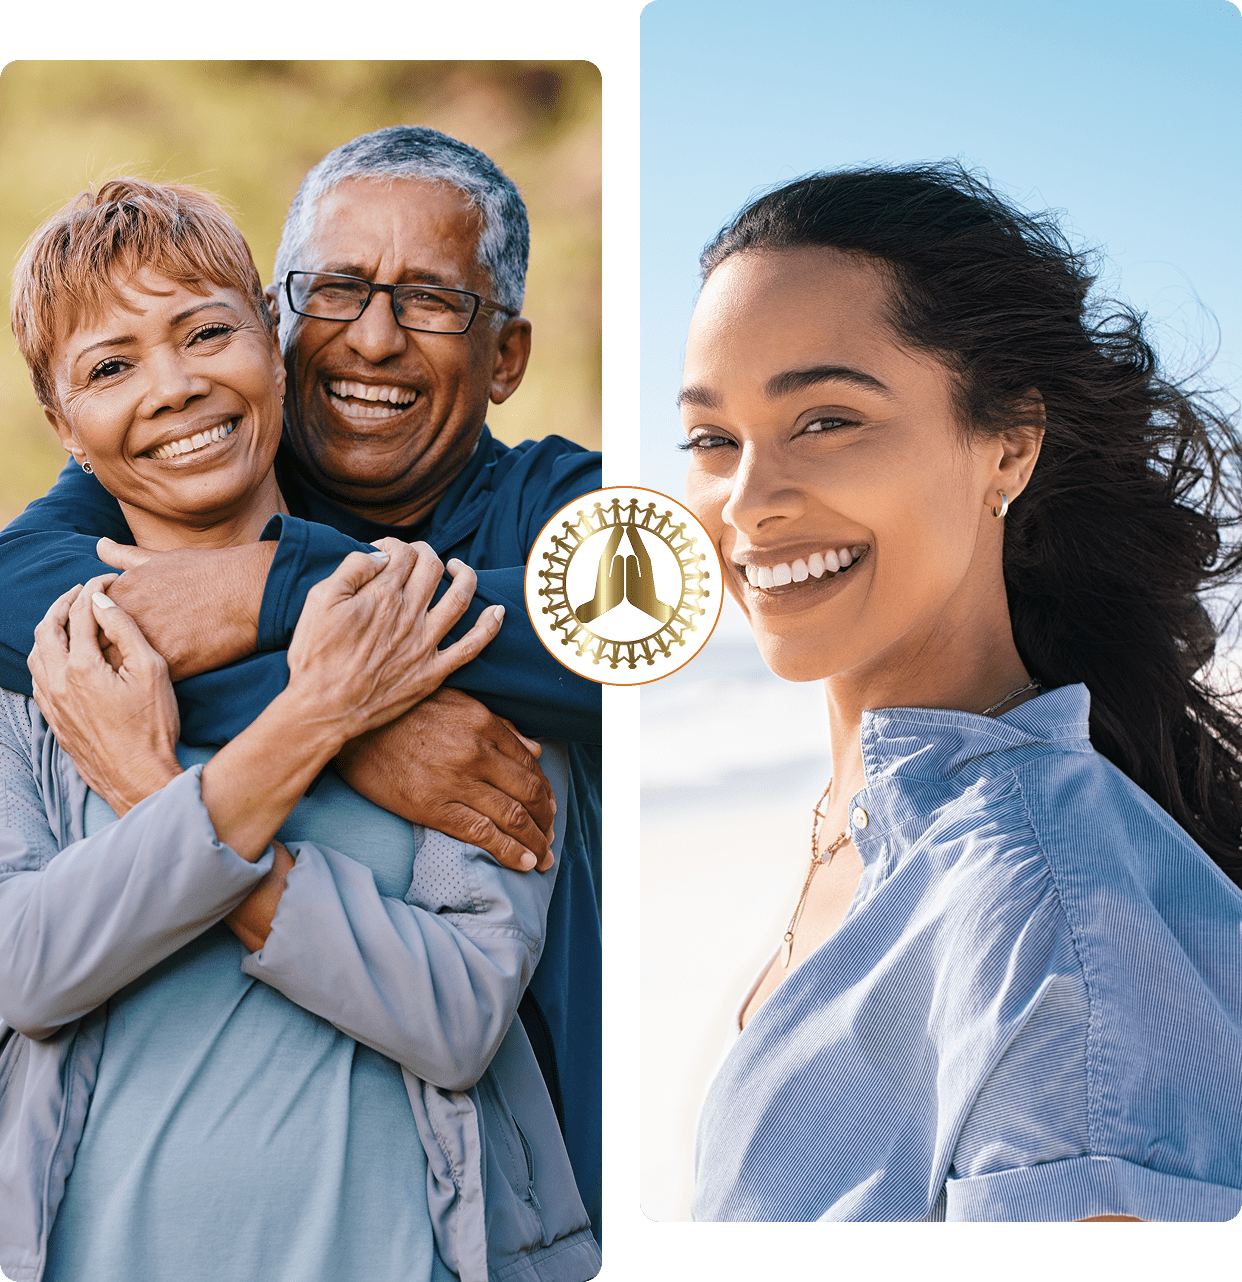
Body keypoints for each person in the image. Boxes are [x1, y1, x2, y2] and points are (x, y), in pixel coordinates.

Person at [0, 127, 602, 1237]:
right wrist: (335, 716)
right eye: (111, 366)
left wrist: (265, 623)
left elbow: (463, 1010)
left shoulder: (501, 561)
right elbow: (25, 967)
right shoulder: (63, 605)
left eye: (429, 300)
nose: (174, 387)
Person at [678, 163, 1242, 1222]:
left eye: (827, 420)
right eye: (713, 439)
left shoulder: (1050, 928)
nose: (748, 503)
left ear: (1008, 445)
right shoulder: (867, 826)